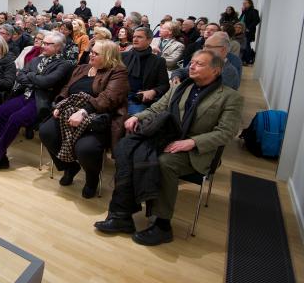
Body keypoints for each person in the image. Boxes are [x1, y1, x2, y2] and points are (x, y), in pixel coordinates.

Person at [94, 50, 243, 246]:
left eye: (199, 64)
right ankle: (122, 214)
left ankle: (162, 225)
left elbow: (227, 132)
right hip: (166, 138)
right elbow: (158, 108)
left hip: (196, 150)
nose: (192, 66)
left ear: (216, 70)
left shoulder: (230, 97)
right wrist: (136, 117)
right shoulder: (181, 88)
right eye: (192, 62)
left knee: (164, 163)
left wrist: (192, 142)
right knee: (128, 149)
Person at [0, 32, 74, 173]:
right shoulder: (37, 60)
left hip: (41, 100)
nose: (43, 46)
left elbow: (46, 83)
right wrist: (35, 78)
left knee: (15, 118)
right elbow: (20, 77)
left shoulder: (65, 64)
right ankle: (0, 158)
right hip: (25, 95)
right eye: (43, 43)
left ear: (58, 47)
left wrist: (31, 76)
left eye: (47, 44)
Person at [39, 40, 129, 197]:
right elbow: (66, 89)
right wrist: (59, 104)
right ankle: (69, 166)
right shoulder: (82, 68)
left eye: (95, 53)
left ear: (108, 56)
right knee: (46, 132)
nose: (90, 55)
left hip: (97, 118)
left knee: (86, 149)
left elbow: (108, 99)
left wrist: (83, 112)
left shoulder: (117, 72)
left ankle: (91, 178)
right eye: (91, 52)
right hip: (69, 111)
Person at [170, 32, 241, 90]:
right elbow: (182, 71)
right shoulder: (198, 61)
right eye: (204, 46)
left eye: (208, 47)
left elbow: (216, 97)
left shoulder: (229, 72)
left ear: (223, 50)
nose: (204, 50)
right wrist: (176, 77)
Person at [122, 27, 169, 115]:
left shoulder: (158, 61)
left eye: (139, 37)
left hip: (138, 100)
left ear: (149, 40)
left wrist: (153, 91)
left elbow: (164, 85)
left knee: (135, 119)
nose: (135, 39)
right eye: (134, 37)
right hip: (119, 96)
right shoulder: (123, 56)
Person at [239, 0, 261, 65]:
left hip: (248, 31)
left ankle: (247, 60)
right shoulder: (245, 11)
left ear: (250, 4)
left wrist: (248, 28)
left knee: (246, 45)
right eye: (243, 3)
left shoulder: (254, 11)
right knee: (243, 45)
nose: (244, 4)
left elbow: (257, 20)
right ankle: (243, 60)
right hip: (242, 31)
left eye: (245, 3)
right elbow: (240, 20)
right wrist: (242, 12)